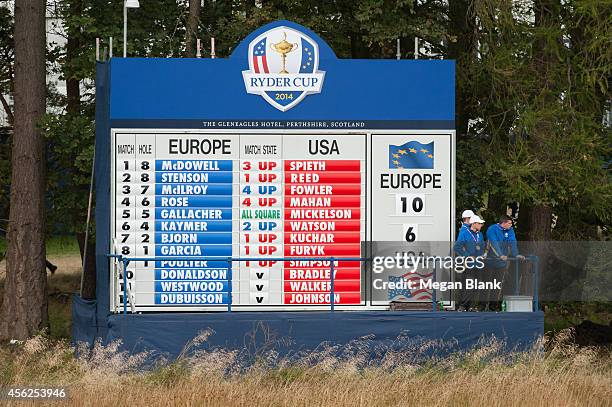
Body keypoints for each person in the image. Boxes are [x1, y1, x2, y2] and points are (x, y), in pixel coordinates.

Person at [485, 214, 525, 310]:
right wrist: (500, 255)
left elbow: (513, 242)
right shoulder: (492, 229)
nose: (511, 225)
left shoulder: (510, 230)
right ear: (503, 223)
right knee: (486, 284)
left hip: (501, 263)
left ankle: (493, 305)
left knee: (497, 285)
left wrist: (516, 254)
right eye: (509, 223)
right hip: (489, 261)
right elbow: (493, 244)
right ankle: (481, 305)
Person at [454, 214, 486, 311]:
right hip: (468, 264)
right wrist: (467, 256)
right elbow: (457, 247)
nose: (481, 225)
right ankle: (462, 305)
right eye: (480, 224)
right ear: (474, 223)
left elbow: (482, 246)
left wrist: (482, 254)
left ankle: (472, 306)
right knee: (468, 285)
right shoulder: (465, 233)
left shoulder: (479, 234)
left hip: (478, 263)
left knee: (477, 285)